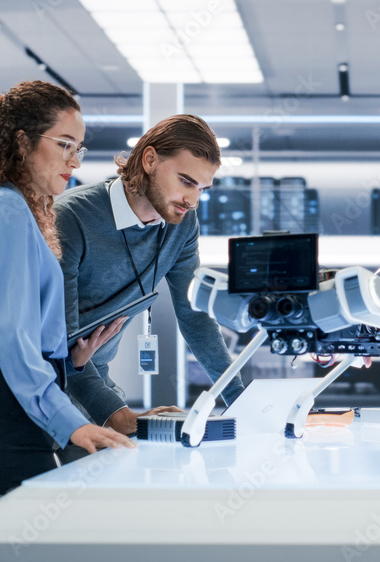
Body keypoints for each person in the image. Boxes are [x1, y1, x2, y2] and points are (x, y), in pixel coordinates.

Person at [0, 81, 135, 520]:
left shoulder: (13, 208)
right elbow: (10, 336)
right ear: (21, 142)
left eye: (79, 148)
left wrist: (71, 358)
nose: (74, 160)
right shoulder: (6, 210)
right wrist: (72, 422)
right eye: (64, 144)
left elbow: (16, 330)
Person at [55, 114, 244, 438]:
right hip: (45, 391)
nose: (193, 200)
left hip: (96, 388)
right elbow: (64, 345)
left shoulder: (182, 225)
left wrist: (241, 404)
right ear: (150, 159)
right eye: (186, 181)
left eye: (202, 188)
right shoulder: (71, 218)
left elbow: (195, 318)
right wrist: (119, 415)